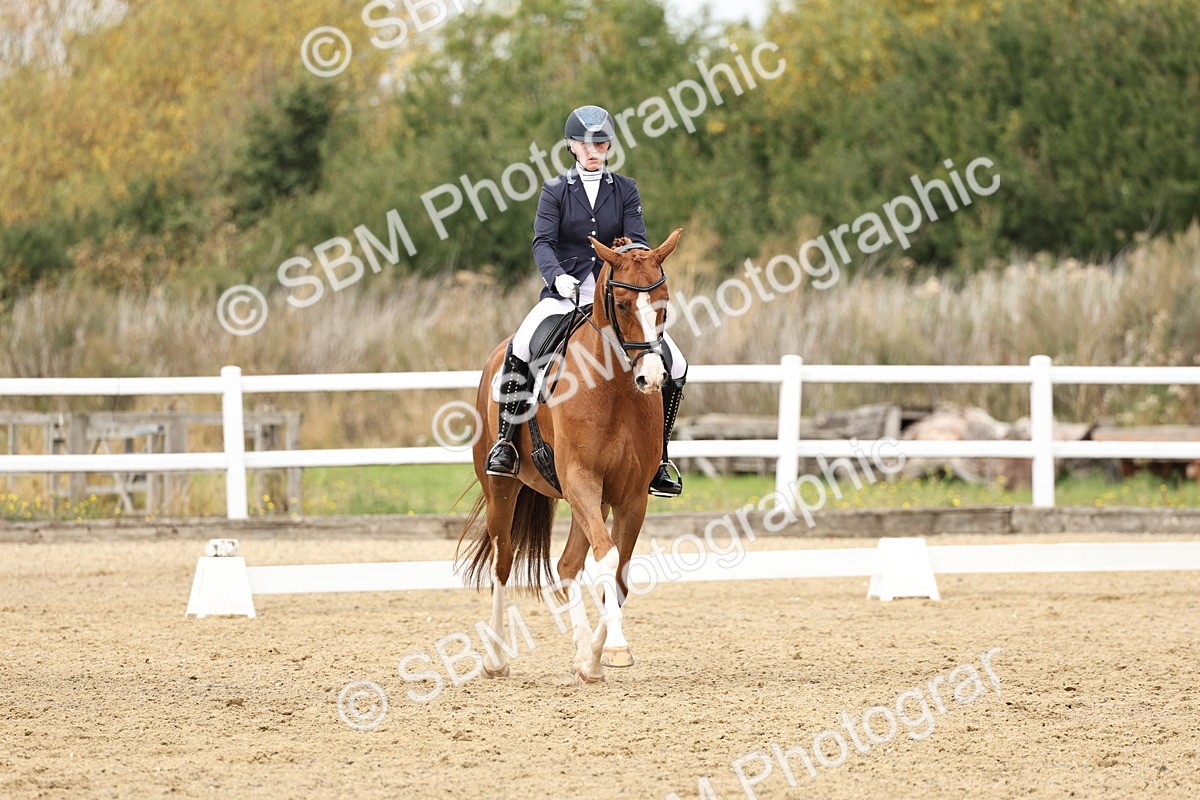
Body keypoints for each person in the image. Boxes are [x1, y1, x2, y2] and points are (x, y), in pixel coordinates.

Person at [484, 104, 688, 497]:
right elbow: (542, 241)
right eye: (584, 143)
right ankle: (507, 444)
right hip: (567, 293)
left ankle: (659, 459)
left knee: (675, 363)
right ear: (572, 147)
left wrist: (635, 257)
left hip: (618, 298)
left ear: (609, 145)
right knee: (524, 343)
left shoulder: (625, 189)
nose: (593, 149)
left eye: (600, 142)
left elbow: (639, 238)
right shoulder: (555, 191)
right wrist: (556, 276)